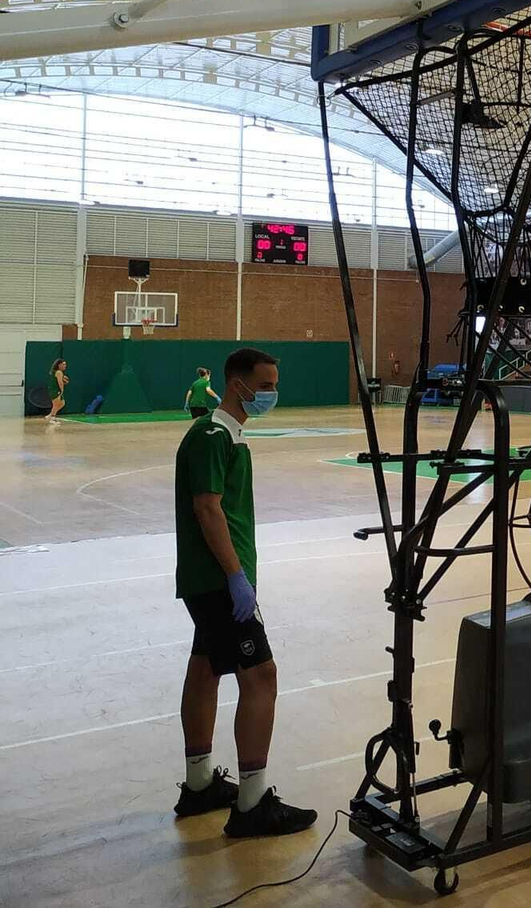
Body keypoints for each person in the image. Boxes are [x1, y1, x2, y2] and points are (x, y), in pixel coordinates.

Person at [172, 346, 316, 837]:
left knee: (206, 667)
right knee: (262, 677)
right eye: (267, 384)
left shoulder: (226, 437)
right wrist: (235, 577)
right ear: (239, 385)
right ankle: (252, 804)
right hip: (216, 581)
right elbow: (208, 508)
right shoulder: (213, 435)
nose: (272, 393)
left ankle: (199, 786)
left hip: (213, 579)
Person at [43, 358, 68, 424]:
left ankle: (50, 415)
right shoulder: (59, 372)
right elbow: (60, 382)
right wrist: (62, 389)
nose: (65, 366)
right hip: (55, 390)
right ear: (59, 365)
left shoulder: (56, 372)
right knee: (56, 405)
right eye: (63, 364)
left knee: (62, 403)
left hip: (54, 389)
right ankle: (52, 418)